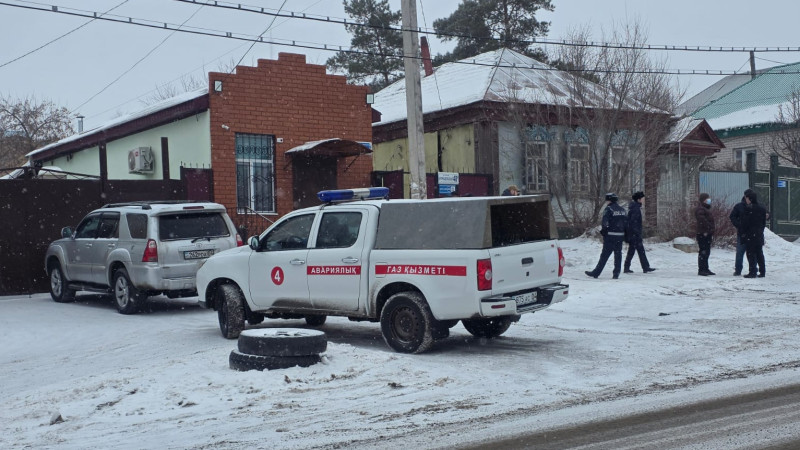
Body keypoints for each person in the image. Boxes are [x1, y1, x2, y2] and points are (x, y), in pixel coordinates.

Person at [586, 193, 628, 279]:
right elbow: (626, 223)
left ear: (609, 200)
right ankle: (616, 273)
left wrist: (604, 231)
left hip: (610, 236)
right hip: (620, 236)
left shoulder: (609, 209)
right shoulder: (623, 210)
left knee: (604, 255)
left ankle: (596, 272)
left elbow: (605, 222)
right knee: (618, 254)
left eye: (607, 200)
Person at [623, 191, 656, 274]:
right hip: (635, 234)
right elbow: (633, 222)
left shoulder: (635, 207)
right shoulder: (635, 209)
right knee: (637, 250)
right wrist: (636, 232)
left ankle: (642, 267)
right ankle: (644, 267)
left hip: (634, 233)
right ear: (639, 199)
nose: (644, 200)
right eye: (643, 198)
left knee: (635, 250)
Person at [740, 190, 767, 278]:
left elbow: (745, 222)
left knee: (751, 253)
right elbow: (763, 222)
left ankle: (752, 271)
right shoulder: (762, 209)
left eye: (746, 198)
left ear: (750, 199)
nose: (746, 200)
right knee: (759, 253)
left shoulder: (748, 208)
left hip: (750, 234)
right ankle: (762, 271)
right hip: (759, 234)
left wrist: (743, 231)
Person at [729, 189, 754, 276]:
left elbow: (764, 213)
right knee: (740, 252)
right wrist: (739, 225)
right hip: (742, 232)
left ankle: (753, 269)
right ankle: (738, 270)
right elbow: (732, 216)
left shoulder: (755, 205)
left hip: (752, 233)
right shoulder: (739, 206)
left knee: (751, 253)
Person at [695, 193, 716, 276]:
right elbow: (702, 219)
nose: (709, 200)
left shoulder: (705, 209)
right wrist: (709, 226)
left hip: (706, 233)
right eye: (707, 199)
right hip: (703, 233)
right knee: (703, 251)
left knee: (706, 251)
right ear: (703, 200)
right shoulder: (701, 209)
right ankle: (702, 269)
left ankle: (705, 268)